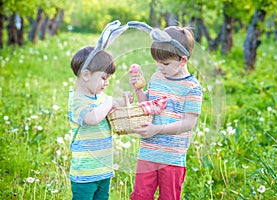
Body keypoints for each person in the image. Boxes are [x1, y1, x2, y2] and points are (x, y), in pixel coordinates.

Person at [129, 26, 202, 200]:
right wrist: (138, 89)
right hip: (148, 151)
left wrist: (157, 129)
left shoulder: (192, 88)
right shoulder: (157, 77)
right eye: (157, 62)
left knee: (169, 196)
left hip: (172, 157)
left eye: (165, 64)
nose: (160, 67)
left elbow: (189, 123)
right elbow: (149, 106)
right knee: (140, 195)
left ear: (183, 60)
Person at [68, 46, 133, 200]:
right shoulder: (76, 100)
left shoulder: (101, 97)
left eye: (108, 79)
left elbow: (112, 105)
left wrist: (123, 102)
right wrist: (111, 102)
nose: (107, 83)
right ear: (86, 75)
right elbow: (92, 118)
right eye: (104, 78)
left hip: (104, 169)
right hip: (85, 173)